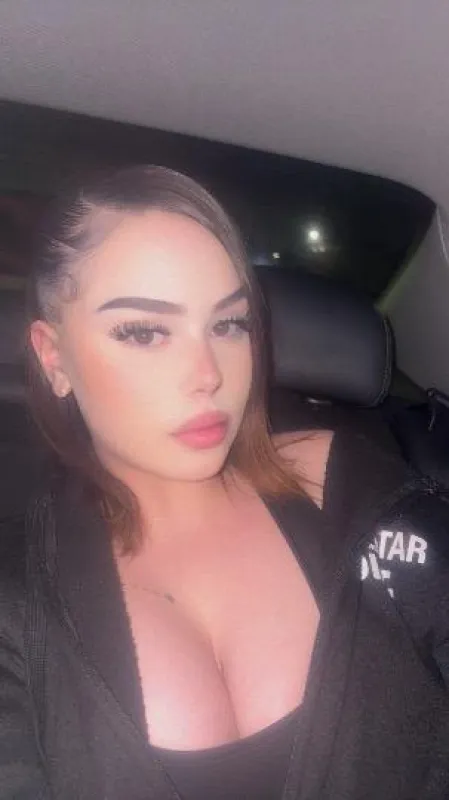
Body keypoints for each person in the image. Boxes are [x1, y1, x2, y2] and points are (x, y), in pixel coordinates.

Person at [0, 165, 448, 800]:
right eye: (143, 331)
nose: (207, 374)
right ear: (54, 358)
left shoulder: (340, 485)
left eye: (228, 323)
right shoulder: (18, 596)